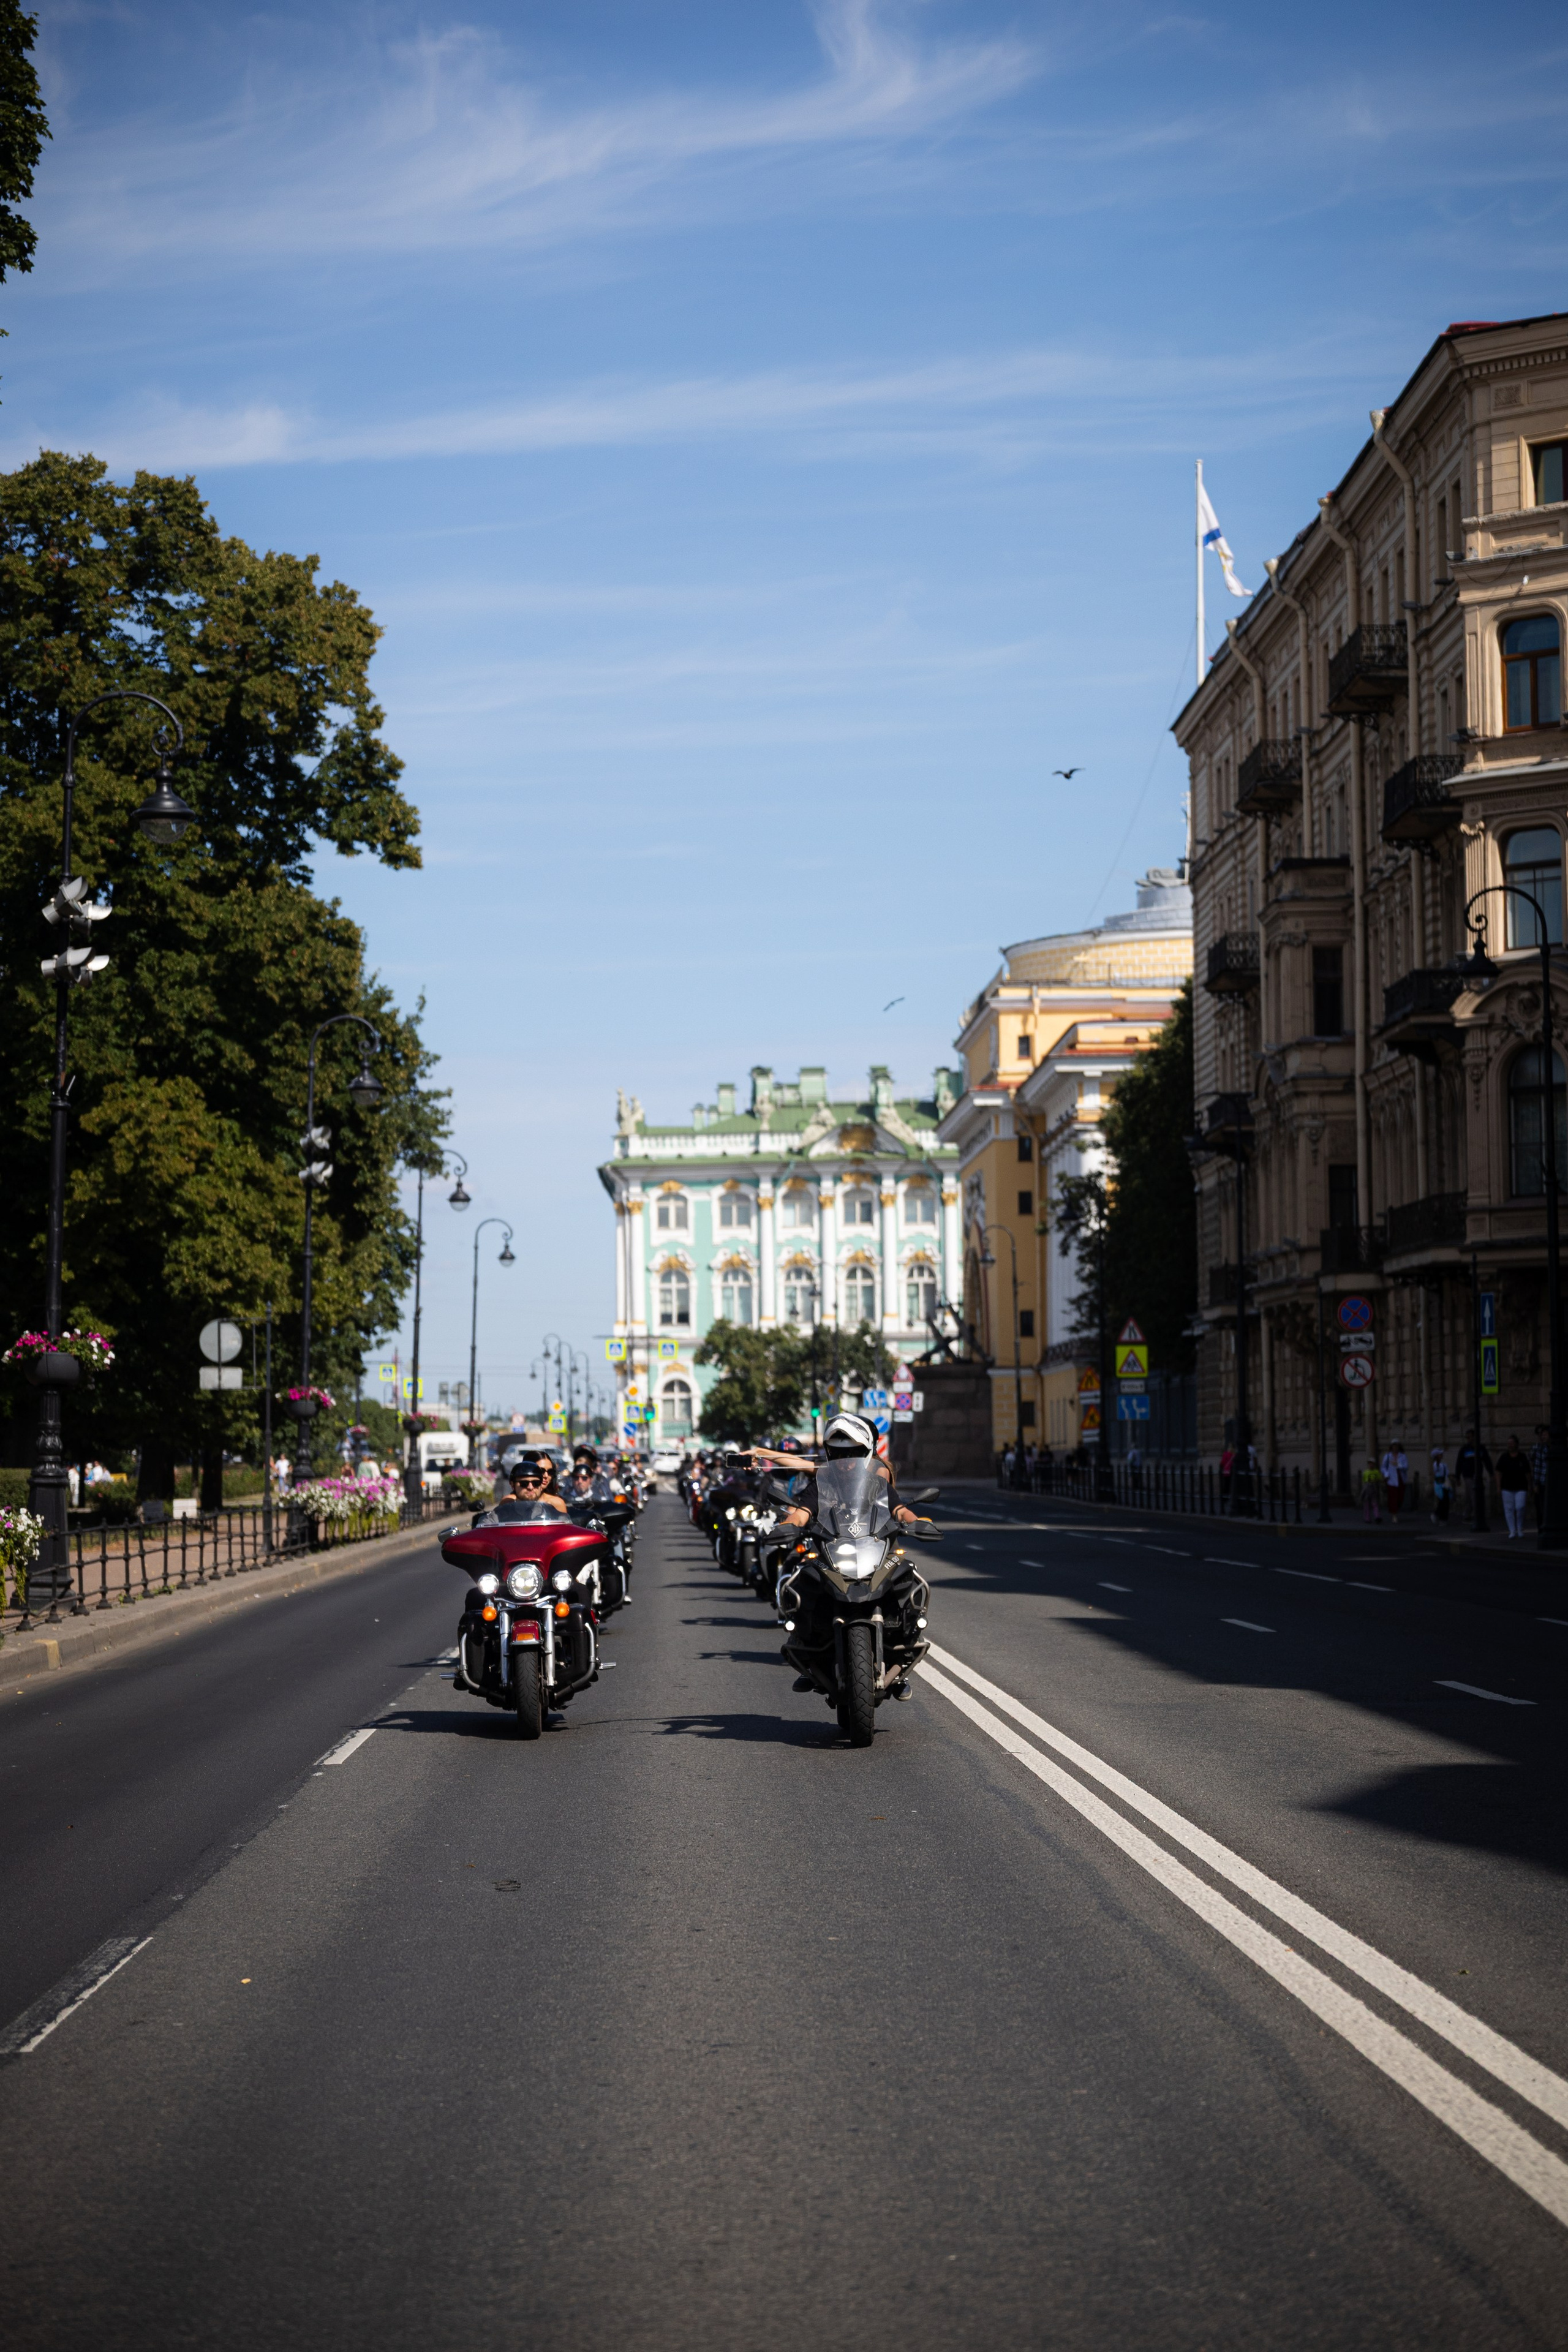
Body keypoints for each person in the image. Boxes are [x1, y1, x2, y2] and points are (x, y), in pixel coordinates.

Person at [776, 1412, 923, 1534]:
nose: (845, 1461)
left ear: (865, 1455)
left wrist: (918, 1523)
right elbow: (801, 1515)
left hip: (878, 1547)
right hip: (829, 1549)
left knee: (905, 1568)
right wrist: (789, 1526)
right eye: (838, 1455)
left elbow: (901, 1511)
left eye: (852, 1455)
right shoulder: (821, 1486)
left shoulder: (877, 1484)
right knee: (804, 1568)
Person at [472, 1450, 568, 1525]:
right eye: (524, 1483)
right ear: (513, 1484)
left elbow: (564, 1534)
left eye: (536, 1483)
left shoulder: (556, 1503)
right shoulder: (508, 1503)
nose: (546, 1476)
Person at [1455, 1427, 1493, 1522]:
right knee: (1473, 1495)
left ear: (1474, 1437)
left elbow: (1487, 1461)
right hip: (1468, 1475)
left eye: (1470, 1437)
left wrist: (1491, 1473)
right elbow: (1459, 1463)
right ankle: (1476, 1515)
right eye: (1467, 1437)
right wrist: (1458, 1477)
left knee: (1471, 1496)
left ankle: (1468, 1515)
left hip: (1478, 1475)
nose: (1468, 1439)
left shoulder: (1481, 1448)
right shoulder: (1465, 1449)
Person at [1497, 1434, 1531, 1538]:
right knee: (1509, 1509)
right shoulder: (1504, 1457)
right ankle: (1512, 1530)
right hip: (1507, 1487)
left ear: (1516, 1444)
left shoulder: (1522, 1457)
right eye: (1508, 1444)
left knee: (1520, 1507)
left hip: (1521, 1487)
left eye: (1512, 1443)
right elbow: (1498, 1472)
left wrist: (1530, 1485)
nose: (1510, 1445)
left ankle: (1520, 1527)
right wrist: (1498, 1486)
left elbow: (1528, 1472)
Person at [1379, 1440, 1409, 1521]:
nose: (1395, 1448)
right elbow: (1383, 1467)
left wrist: (1398, 1465)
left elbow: (1406, 1467)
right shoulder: (1388, 1456)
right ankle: (1394, 1514)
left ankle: (1396, 1510)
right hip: (1391, 1479)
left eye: (1397, 1446)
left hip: (1401, 1479)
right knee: (1393, 1498)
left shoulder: (1403, 1456)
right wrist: (1386, 1475)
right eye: (1394, 1446)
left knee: (1400, 1497)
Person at [1531, 1424, 1550, 1529]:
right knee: (1541, 1508)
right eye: (1541, 1435)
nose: (1542, 1437)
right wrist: (1536, 1484)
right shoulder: (1540, 1449)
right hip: (1543, 1482)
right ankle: (1542, 1528)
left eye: (1544, 1435)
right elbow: (1537, 1467)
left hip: (1550, 1483)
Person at [1430, 1445, 1451, 1525]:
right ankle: (1438, 1516)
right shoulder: (1436, 1464)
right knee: (1442, 1501)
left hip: (1445, 1484)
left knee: (1446, 1502)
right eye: (1440, 1454)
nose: (1441, 1455)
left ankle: (1443, 1518)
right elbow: (1437, 1469)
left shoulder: (1444, 1464)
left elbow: (1446, 1473)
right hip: (1439, 1485)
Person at [1359, 1457, 1384, 1523]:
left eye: (1372, 1464)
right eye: (1370, 1464)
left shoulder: (1376, 1472)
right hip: (1368, 1488)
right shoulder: (1366, 1472)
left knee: (1375, 1503)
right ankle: (1367, 1518)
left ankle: (1377, 1516)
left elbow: (1379, 1479)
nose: (1371, 1465)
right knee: (1367, 1504)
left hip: (1373, 1488)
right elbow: (1364, 1481)